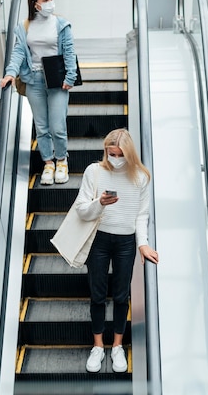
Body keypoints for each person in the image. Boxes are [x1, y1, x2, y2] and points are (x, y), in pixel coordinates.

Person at [73, 128, 159, 373]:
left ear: (129, 153)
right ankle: (98, 346)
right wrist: (99, 203)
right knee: (97, 294)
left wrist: (142, 243)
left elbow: (142, 215)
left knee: (121, 295)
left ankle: (117, 345)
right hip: (98, 239)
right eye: (111, 153)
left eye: (120, 154)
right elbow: (81, 209)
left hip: (125, 242)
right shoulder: (94, 171)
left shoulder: (141, 177)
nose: (116, 158)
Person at [0, 0, 77, 185]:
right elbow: (18, 52)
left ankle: (62, 161)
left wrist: (70, 77)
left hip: (57, 81)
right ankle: (48, 163)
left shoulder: (61, 24)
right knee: (41, 127)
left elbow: (69, 52)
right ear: (35, 5)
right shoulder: (24, 27)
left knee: (57, 125)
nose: (51, 3)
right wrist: (10, 73)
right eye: (45, 0)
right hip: (33, 80)